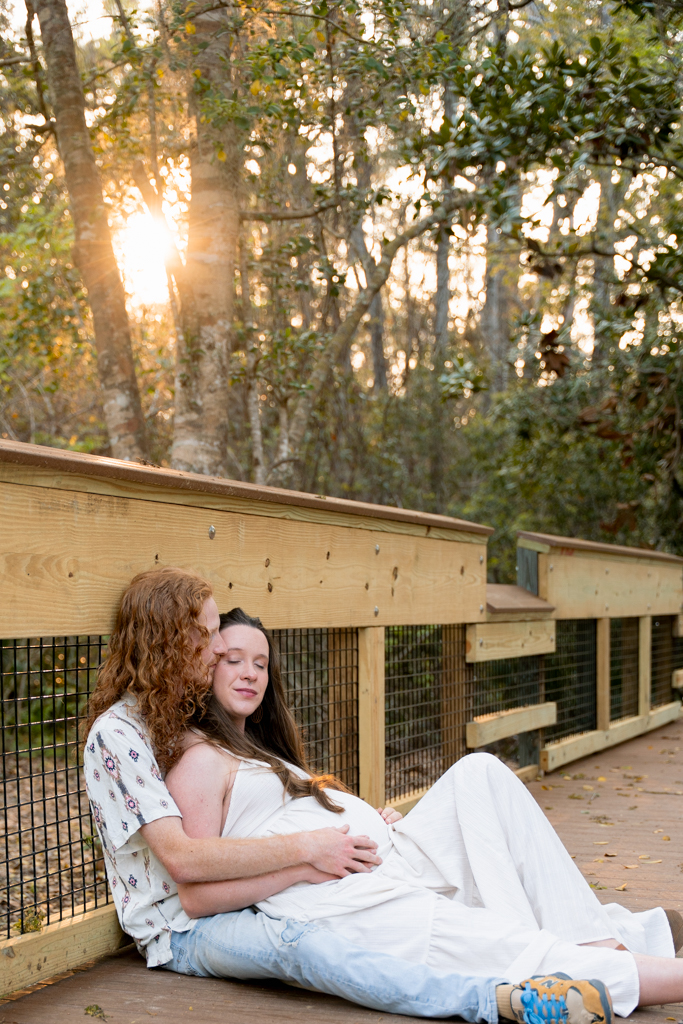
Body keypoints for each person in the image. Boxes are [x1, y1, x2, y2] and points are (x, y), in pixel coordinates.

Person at [83, 567, 614, 1024]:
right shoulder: (118, 734)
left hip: (238, 887)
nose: (219, 646)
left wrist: (357, 821)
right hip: (179, 926)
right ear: (166, 639)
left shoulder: (173, 710)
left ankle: (584, 946)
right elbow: (182, 860)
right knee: (304, 946)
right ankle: (497, 1000)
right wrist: (307, 853)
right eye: (206, 634)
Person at [165, 600, 683, 1020]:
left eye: (261, 663)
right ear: (204, 662)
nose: (250, 673)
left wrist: (367, 819)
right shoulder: (199, 758)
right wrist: (306, 860)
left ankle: (596, 942)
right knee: (479, 937)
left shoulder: (256, 746)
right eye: (233, 659)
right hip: (335, 893)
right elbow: (200, 895)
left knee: (477, 774)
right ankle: (614, 966)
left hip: (389, 852)